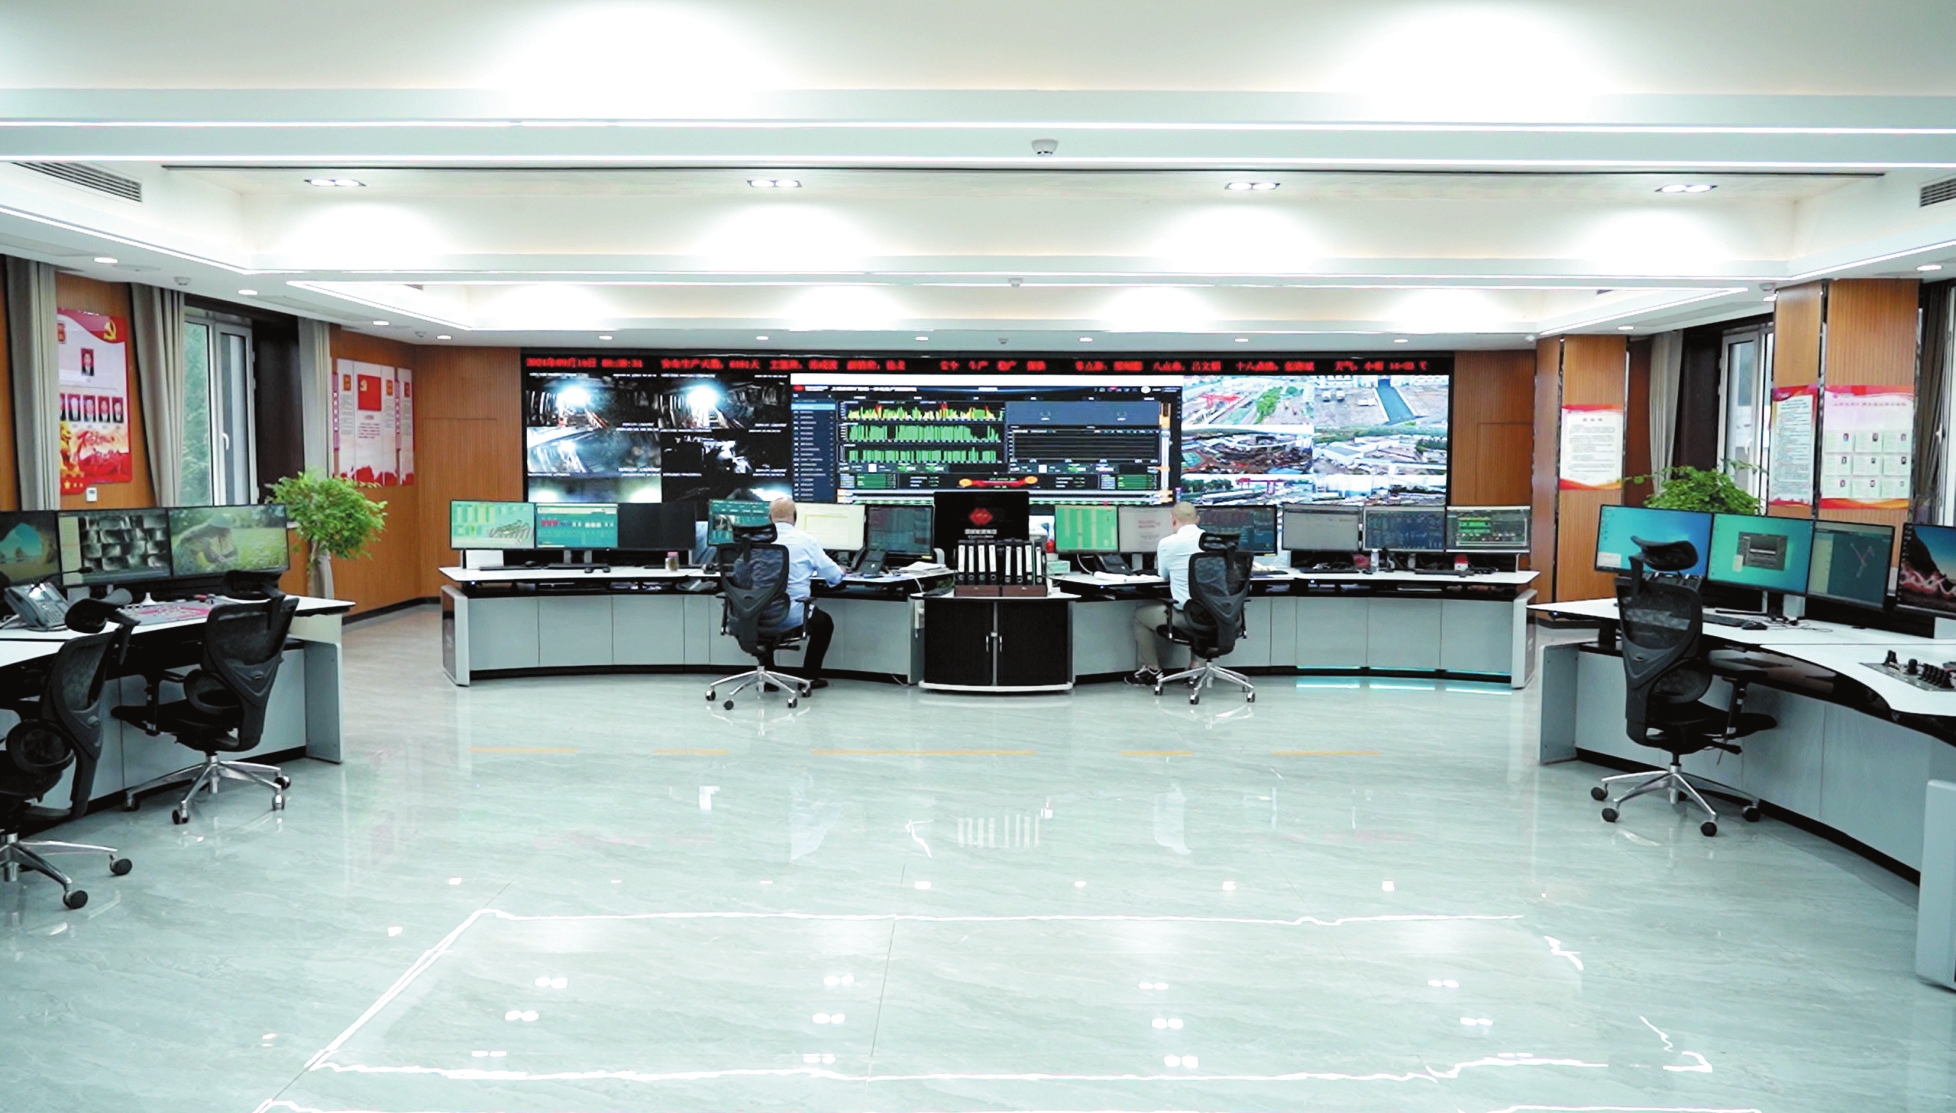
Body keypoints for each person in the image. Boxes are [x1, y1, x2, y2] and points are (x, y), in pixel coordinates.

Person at [767, 496, 846, 689]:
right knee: (824, 623)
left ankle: (768, 677)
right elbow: (834, 576)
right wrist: (839, 573)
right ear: (795, 517)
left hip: (754, 613)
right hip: (792, 615)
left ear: (769, 518)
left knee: (764, 612)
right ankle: (809, 677)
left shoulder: (753, 542)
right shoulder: (806, 542)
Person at [1128, 501, 1203, 687]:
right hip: (1222, 616)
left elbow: (1163, 576)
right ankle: (1195, 668)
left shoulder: (1168, 543)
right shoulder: (1216, 543)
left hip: (1185, 617)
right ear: (1197, 519)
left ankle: (1152, 669)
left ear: (1173, 520)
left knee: (1140, 615)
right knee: (1204, 606)